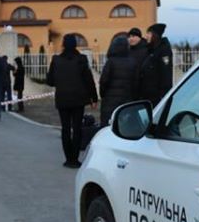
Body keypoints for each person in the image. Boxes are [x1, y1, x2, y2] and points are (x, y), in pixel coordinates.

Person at [46, 33, 98, 168]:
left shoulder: (56, 60)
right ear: (75, 44)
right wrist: (94, 98)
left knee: (65, 128)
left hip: (62, 98)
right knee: (77, 128)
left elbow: (50, 81)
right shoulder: (81, 59)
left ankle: (68, 158)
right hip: (78, 99)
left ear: (63, 44)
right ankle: (75, 159)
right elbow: (88, 80)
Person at [99, 35, 138, 126]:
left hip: (110, 101)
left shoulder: (111, 62)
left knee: (109, 127)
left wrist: (103, 95)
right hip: (127, 101)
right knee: (125, 128)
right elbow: (136, 83)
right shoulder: (133, 62)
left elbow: (103, 81)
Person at [138, 23, 173, 106]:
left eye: (149, 33)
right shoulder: (150, 50)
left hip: (156, 98)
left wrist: (163, 97)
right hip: (148, 97)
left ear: (155, 35)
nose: (146, 36)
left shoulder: (163, 51)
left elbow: (166, 75)